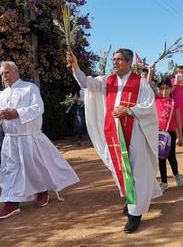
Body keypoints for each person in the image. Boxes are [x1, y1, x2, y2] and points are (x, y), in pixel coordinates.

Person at [67, 49, 162, 233]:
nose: (115, 62)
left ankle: (135, 215)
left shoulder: (139, 82)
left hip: (135, 133)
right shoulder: (106, 81)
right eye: (114, 59)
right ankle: (131, 199)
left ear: (129, 62)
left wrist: (128, 111)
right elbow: (85, 82)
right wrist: (75, 64)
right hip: (113, 134)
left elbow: (148, 105)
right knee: (120, 167)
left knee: (136, 170)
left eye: (119, 59)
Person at [0, 61, 80, 220]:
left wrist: (17, 113)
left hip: (29, 137)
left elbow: (39, 108)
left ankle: (42, 191)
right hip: (10, 140)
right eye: (2, 73)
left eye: (7, 72)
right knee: (9, 170)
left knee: (35, 167)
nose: (4, 76)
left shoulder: (29, 88)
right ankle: (11, 203)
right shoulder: (0, 95)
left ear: (17, 72)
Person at [147, 66, 183, 192]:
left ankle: (176, 174)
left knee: (171, 156)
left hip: (170, 133)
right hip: (157, 133)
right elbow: (147, 86)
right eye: (161, 89)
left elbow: (178, 120)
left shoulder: (175, 102)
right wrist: (151, 72)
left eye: (166, 88)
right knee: (161, 158)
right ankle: (164, 182)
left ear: (171, 89)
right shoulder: (156, 99)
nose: (164, 91)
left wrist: (180, 135)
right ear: (158, 89)